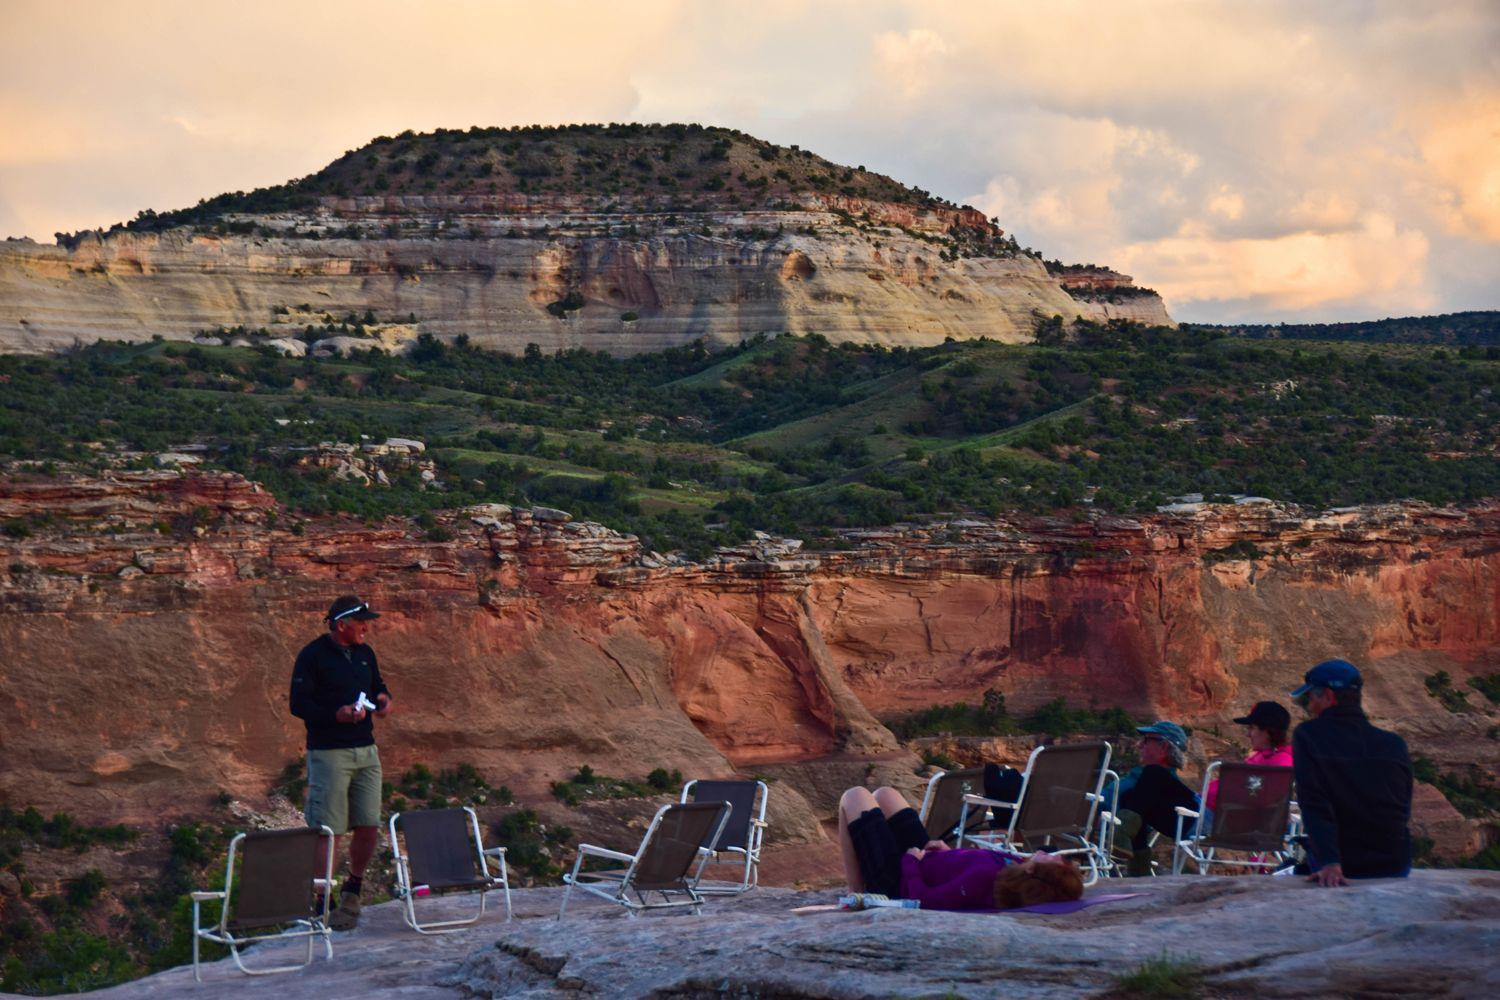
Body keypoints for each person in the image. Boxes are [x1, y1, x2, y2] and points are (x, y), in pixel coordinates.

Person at [289, 595, 393, 929]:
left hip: (366, 750)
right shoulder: (313, 656)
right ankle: (322, 902)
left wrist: (383, 699)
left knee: (368, 822)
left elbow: (378, 686)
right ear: (341, 625)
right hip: (329, 753)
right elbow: (298, 704)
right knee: (328, 830)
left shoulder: (365, 654)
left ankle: (354, 888)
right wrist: (336, 715)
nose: (367, 627)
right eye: (362, 622)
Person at [836, 786, 1083, 910]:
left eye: (1053, 859)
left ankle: (856, 891)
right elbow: (978, 859)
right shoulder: (1016, 869)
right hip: (930, 857)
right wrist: (948, 852)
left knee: (853, 796)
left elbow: (924, 900)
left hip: (897, 878)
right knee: (885, 794)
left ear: (1034, 873)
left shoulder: (983, 880)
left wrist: (911, 862)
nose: (1051, 853)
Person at [1290, 659, 1412, 887]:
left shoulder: (1308, 736)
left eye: (1311, 698)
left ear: (1328, 696)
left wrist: (1330, 862)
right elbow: (1402, 808)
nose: (1309, 707)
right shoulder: (1394, 744)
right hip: (1395, 864)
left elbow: (1314, 802)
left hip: (1344, 866)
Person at [1106, 721, 1199, 876]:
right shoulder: (1146, 785)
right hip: (1180, 820)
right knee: (1131, 798)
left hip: (1194, 819)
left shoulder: (1157, 779)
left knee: (1151, 775)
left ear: (1164, 747)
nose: (1138, 745)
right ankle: (1138, 872)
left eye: (1146, 740)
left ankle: (1121, 832)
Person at [1203, 700, 1294, 822]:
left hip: (1218, 819)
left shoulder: (1281, 762)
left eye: (1251, 728)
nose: (1248, 734)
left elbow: (1262, 803)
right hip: (1208, 809)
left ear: (1267, 731)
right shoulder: (1265, 756)